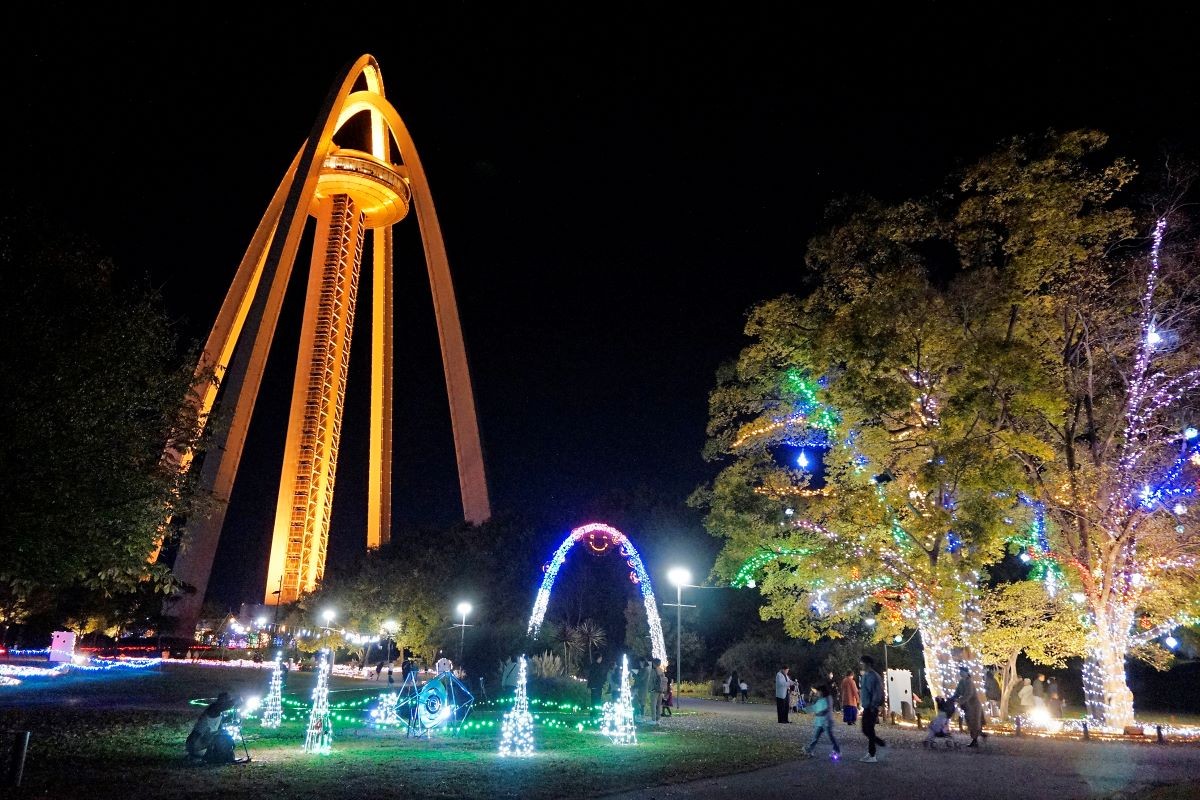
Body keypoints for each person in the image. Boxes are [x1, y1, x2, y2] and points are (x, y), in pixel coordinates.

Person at [185, 691, 238, 762]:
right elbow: (227, 706)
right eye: (228, 700)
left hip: (198, 745)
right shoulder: (214, 708)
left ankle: (219, 756)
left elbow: (219, 722)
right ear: (223, 700)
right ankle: (218, 757)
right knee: (224, 738)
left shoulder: (216, 711)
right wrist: (237, 700)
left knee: (222, 735)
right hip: (196, 745)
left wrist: (232, 719)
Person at [858, 655, 886, 762]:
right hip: (866, 707)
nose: (861, 665)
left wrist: (874, 705)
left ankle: (872, 754)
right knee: (866, 730)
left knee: (869, 729)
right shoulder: (865, 675)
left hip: (872, 707)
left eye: (862, 663)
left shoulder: (874, 676)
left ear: (868, 664)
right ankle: (876, 747)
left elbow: (878, 692)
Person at [802, 685, 841, 759]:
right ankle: (809, 750)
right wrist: (805, 709)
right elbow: (814, 707)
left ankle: (837, 751)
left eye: (818, 692)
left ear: (822, 692)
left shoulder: (828, 698)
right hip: (820, 722)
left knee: (831, 737)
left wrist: (819, 713)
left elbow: (827, 709)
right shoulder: (820, 699)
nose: (816, 693)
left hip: (827, 722)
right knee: (815, 737)